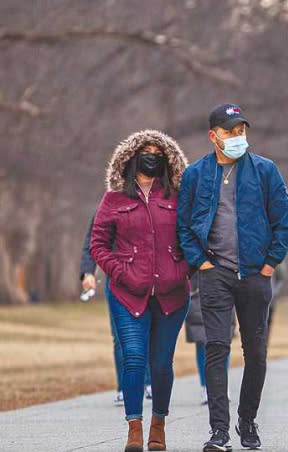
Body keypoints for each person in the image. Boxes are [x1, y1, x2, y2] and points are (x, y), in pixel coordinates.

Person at [178, 104, 288, 452]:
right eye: (230, 131)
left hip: (254, 276)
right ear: (213, 135)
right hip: (214, 274)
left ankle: (247, 421)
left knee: (256, 353)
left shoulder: (265, 171)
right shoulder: (196, 174)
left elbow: (287, 224)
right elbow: (184, 226)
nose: (237, 137)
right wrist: (200, 262)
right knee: (216, 349)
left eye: (241, 131)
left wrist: (268, 265)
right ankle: (219, 431)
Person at [90, 130, 191, 452]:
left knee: (161, 363)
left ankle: (158, 424)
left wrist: (181, 269)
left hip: (171, 294)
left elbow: (193, 238)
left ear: (167, 160)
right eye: (145, 151)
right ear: (131, 158)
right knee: (134, 358)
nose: (151, 156)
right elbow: (98, 245)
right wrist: (121, 271)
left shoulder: (178, 196)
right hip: (127, 293)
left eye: (157, 152)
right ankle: (134, 427)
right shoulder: (113, 200)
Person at [80, 214, 153, 405]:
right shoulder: (106, 208)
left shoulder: (148, 201)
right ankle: (124, 387)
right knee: (120, 336)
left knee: (147, 332)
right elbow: (92, 242)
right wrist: (88, 272)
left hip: (147, 276)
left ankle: (149, 382)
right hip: (116, 278)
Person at [184, 273, 234, 405]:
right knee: (202, 343)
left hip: (224, 290)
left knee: (222, 342)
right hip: (198, 294)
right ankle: (205, 386)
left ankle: (221, 384)